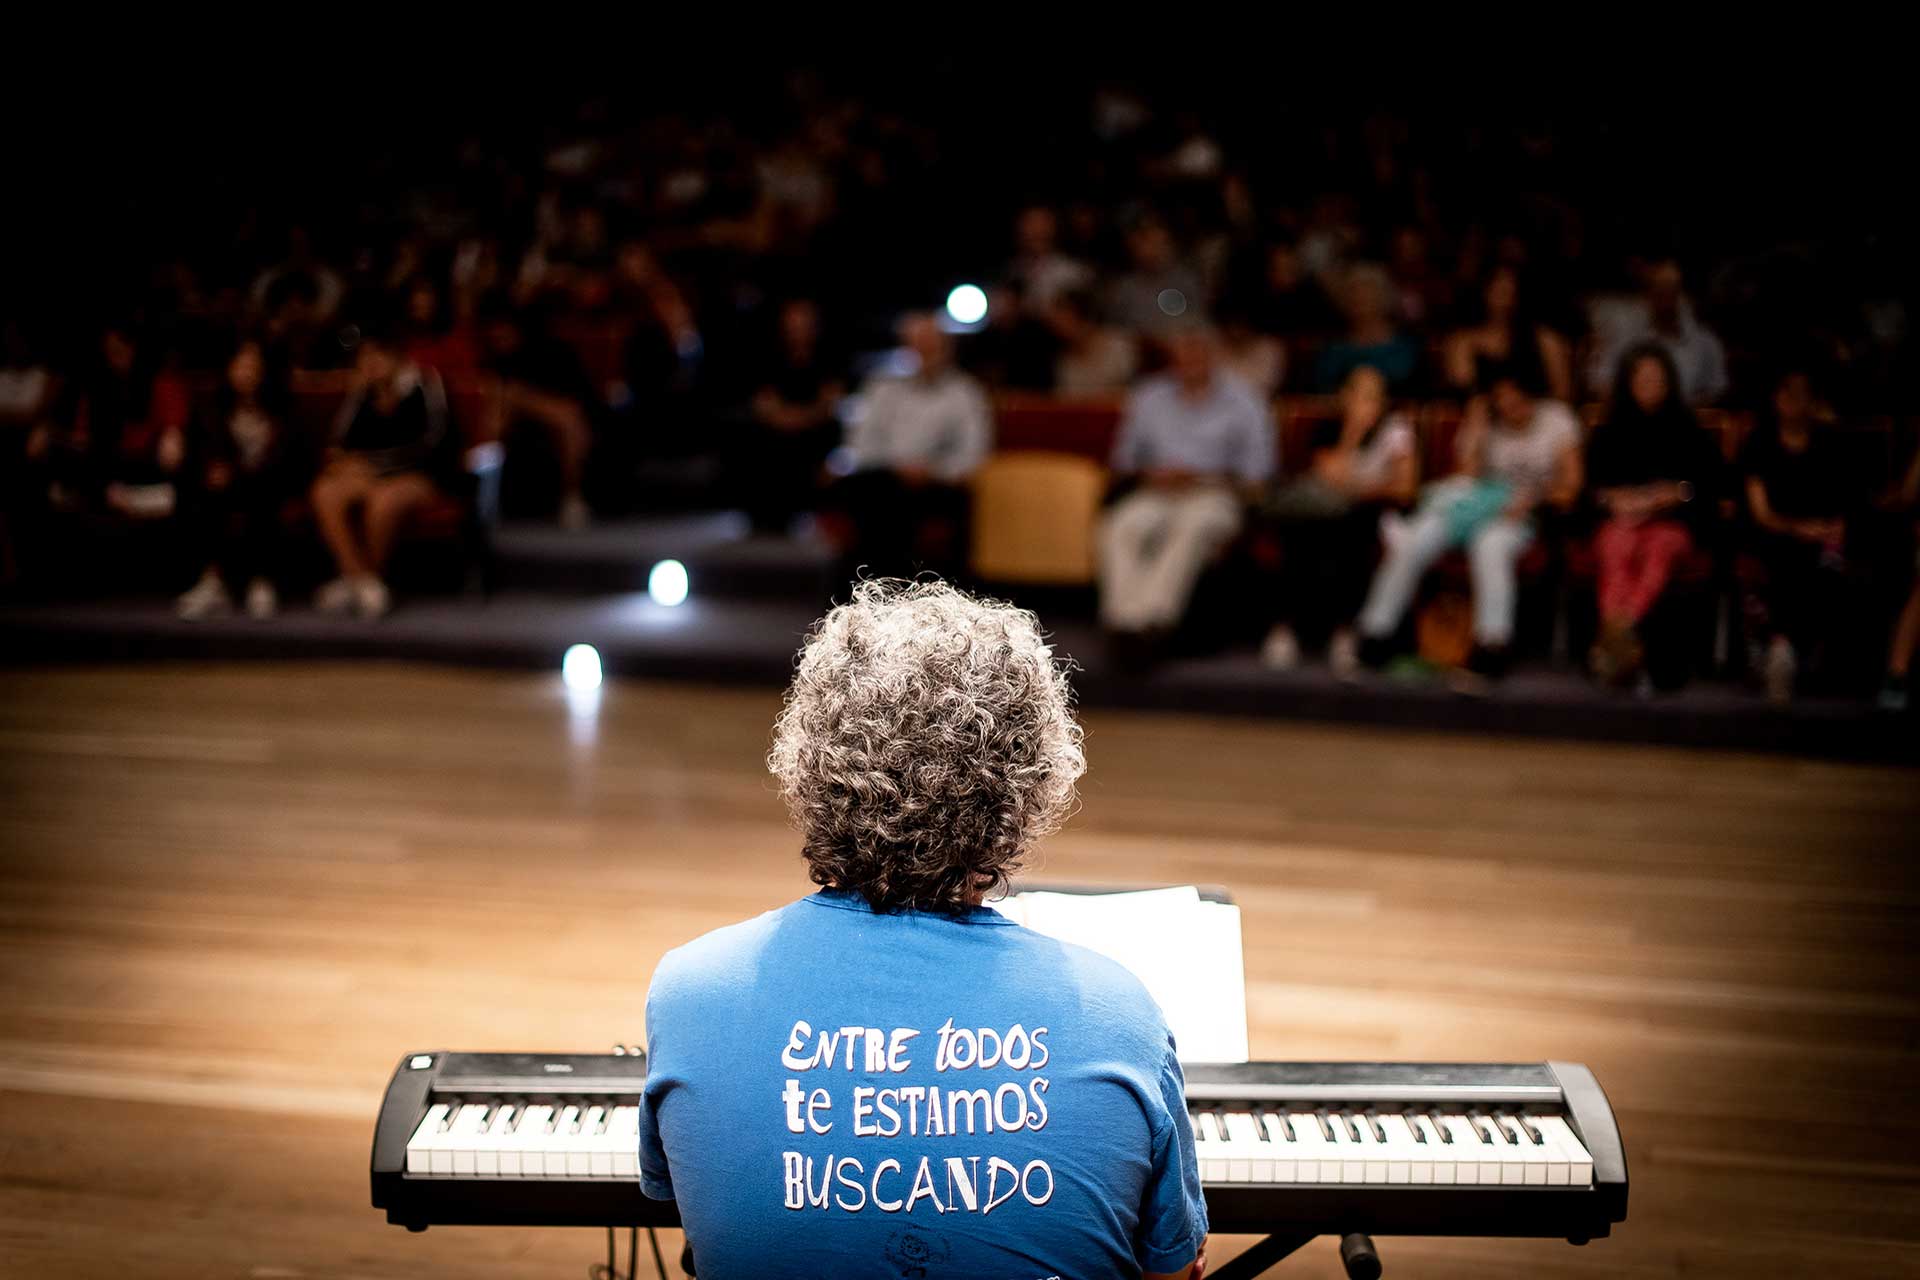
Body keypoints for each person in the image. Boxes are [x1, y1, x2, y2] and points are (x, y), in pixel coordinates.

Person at [639, 579, 1208, 1280]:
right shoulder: (1117, 1013)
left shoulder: (691, 992)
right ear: (1025, 788)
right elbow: (1172, 1273)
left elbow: (714, 1230)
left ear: (815, 768)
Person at [1355, 363, 1583, 680]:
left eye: (1515, 398)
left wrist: (1533, 499)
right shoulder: (1488, 421)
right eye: (1500, 399)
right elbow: (1466, 477)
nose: (1508, 406)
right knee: (1413, 539)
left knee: (1490, 544)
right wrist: (1477, 428)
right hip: (1476, 508)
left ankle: (1491, 645)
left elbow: (1571, 488)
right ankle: (1375, 635)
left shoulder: (1556, 421)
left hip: (1525, 515)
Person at [1099, 327, 1275, 654]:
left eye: (1199, 350)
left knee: (1191, 526)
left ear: (1214, 356)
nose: (1190, 359)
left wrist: (1203, 476)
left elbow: (1258, 474)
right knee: (1122, 524)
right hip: (1155, 492)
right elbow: (1122, 462)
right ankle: (1122, 621)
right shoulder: (1148, 397)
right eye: (1183, 351)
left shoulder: (1245, 400)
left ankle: (1152, 621)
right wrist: (1151, 474)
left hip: (1215, 494)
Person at [1258, 365, 1417, 675]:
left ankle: (1345, 632)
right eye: (1360, 394)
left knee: (1350, 531)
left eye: (1375, 396)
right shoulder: (1327, 427)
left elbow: (1405, 489)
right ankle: (1285, 628)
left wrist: (1360, 489)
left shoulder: (1396, 430)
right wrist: (1353, 432)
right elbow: (1330, 477)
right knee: (1301, 533)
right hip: (1326, 513)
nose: (1368, 402)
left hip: (1373, 514)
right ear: (1344, 396)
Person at [1583, 344, 1722, 685]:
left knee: (1658, 549)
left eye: (1656, 378)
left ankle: (1619, 634)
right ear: (1627, 383)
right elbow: (1592, 490)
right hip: (1621, 522)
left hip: (1671, 524)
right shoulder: (1609, 430)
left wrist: (1675, 494)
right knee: (1616, 546)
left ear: (1669, 382)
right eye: (1641, 378)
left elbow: (1708, 486)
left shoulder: (1689, 429)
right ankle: (1621, 640)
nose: (1649, 384)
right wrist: (1616, 500)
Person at [832, 313, 992, 579]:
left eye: (932, 345)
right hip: (885, 477)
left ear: (947, 348)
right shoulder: (882, 387)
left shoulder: (965, 393)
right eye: (917, 345)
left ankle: (881, 583)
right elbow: (860, 443)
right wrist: (897, 467)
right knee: (870, 491)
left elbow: (972, 453)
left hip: (938, 484)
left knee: (894, 505)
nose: (924, 352)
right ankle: (873, 584)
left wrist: (932, 471)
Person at [309, 330, 452, 618]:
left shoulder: (425, 384)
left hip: (419, 475)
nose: (371, 363)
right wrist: (345, 463)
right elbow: (340, 444)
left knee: (384, 500)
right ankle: (359, 579)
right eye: (365, 357)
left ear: (396, 357)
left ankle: (367, 580)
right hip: (370, 476)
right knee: (326, 491)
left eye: (378, 355)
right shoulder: (362, 394)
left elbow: (433, 443)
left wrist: (374, 466)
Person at [1738, 369, 1856, 701]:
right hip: (1773, 533)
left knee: (1827, 562)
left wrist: (1828, 528)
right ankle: (1783, 647)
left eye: (1802, 394)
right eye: (1788, 393)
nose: (1794, 402)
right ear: (1776, 398)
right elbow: (1760, 512)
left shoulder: (1829, 442)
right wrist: (1796, 528)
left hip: (1820, 536)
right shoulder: (1759, 442)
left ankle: (1788, 649)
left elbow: (1845, 501)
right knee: (1781, 557)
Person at [174, 341, 308, 620]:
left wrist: (246, 472)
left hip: (273, 485)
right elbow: (198, 453)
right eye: (241, 366)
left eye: (254, 367)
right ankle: (213, 583)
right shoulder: (211, 408)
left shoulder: (285, 408)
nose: (247, 373)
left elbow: (296, 460)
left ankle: (262, 582)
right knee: (209, 490)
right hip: (225, 487)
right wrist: (212, 469)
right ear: (229, 369)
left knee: (262, 491)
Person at [477, 301, 595, 528]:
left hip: (552, 425)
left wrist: (522, 399)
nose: (499, 334)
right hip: (507, 429)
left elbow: (571, 410)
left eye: (505, 327)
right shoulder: (490, 363)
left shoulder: (550, 355)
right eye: (494, 328)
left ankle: (573, 497)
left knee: (568, 422)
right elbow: (492, 422)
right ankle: (484, 510)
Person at [738, 298, 844, 533]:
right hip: (778, 429)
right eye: (794, 322)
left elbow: (829, 404)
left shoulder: (829, 357)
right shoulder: (767, 357)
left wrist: (800, 419)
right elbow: (764, 405)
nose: (799, 328)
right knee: (760, 441)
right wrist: (791, 419)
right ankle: (770, 517)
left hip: (816, 431)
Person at [1586, 258, 1729, 405]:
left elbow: (1717, 390)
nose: (1665, 298)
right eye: (1658, 290)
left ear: (1682, 295)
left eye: (1671, 290)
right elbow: (1600, 381)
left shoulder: (1705, 342)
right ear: (1648, 296)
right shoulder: (1626, 339)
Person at [1443, 266, 1573, 404]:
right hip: (1484, 418)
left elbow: (1563, 394)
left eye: (1511, 291)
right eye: (1499, 290)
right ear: (1483, 291)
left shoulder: (1544, 338)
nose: (1505, 299)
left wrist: (1524, 409)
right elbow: (1463, 391)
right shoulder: (1462, 341)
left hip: (1537, 417)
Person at [1314, 264, 1421, 394]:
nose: (1361, 301)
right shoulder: (1334, 349)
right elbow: (1324, 389)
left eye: (1367, 293)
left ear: (1383, 298)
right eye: (1355, 294)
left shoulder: (1405, 346)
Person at [1107, 218, 1210, 339]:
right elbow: (1117, 331)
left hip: (1182, 345)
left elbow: (1199, 322)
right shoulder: (1124, 289)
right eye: (1145, 243)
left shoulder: (1186, 281)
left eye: (1158, 243)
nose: (1152, 250)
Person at [1004, 205, 1094, 312]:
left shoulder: (1072, 273)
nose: (1037, 231)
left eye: (1042, 224)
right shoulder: (1012, 271)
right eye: (1030, 224)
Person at [1050, 288, 1137, 396]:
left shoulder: (1120, 348)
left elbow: (1135, 395)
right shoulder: (1061, 360)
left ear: (1084, 319)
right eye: (1055, 319)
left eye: (1063, 318)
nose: (1056, 325)